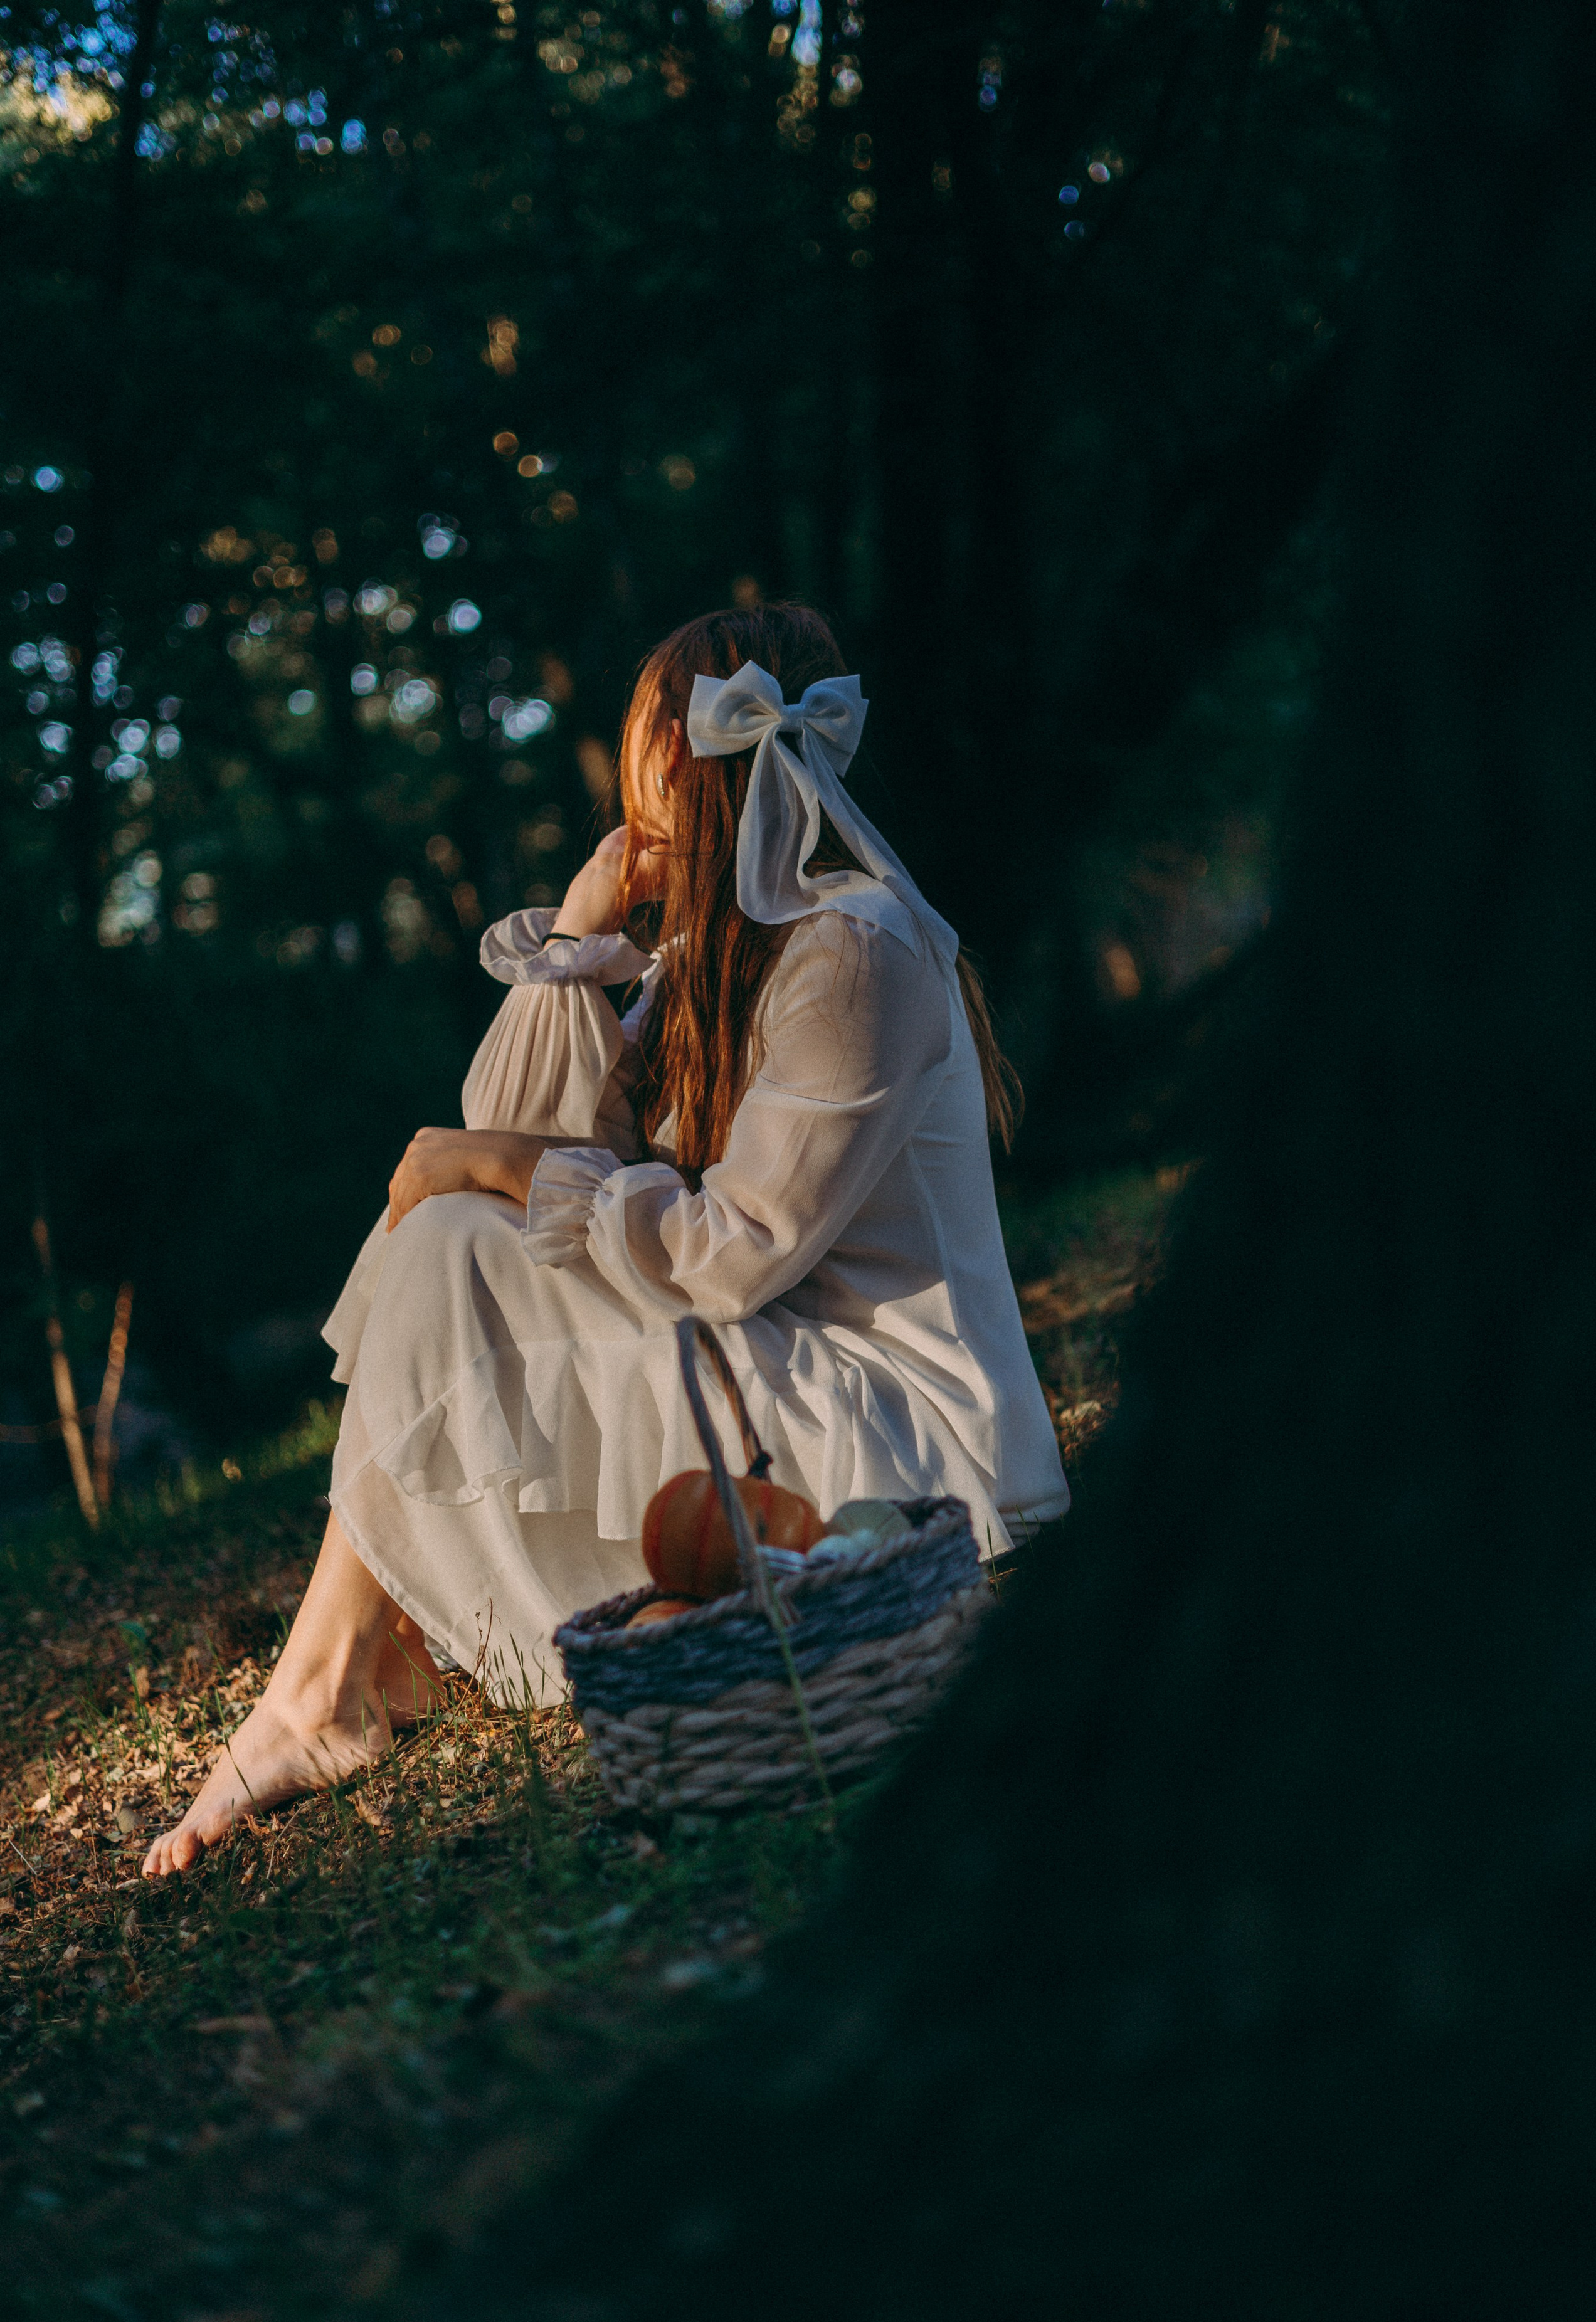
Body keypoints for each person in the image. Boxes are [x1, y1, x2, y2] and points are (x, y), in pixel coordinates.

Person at [142, 604, 1068, 1878]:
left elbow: (733, 1250)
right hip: (772, 1372)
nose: (624, 792)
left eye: (641, 754)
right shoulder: (708, 956)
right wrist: (580, 933)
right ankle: (335, 1673)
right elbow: (508, 1149)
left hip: (901, 1434)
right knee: (448, 1242)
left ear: (687, 770)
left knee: (452, 1238)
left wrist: (498, 1167)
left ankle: (327, 1688)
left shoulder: (853, 952)